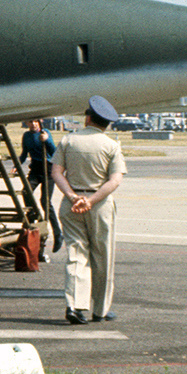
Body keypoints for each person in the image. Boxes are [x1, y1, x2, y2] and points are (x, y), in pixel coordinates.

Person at [51, 96, 126, 324]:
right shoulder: (111, 146)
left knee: (76, 254)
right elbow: (115, 180)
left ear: (88, 118)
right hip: (100, 204)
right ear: (106, 124)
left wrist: (73, 196)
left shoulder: (68, 141)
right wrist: (91, 200)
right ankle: (100, 310)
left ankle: (74, 305)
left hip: (72, 204)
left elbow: (56, 173)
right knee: (103, 255)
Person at [19, 118, 59, 256]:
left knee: (45, 202)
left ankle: (58, 233)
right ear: (27, 123)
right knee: (26, 191)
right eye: (30, 122)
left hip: (48, 170)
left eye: (36, 121)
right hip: (35, 169)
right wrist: (16, 165)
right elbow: (24, 153)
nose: (34, 124)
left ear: (40, 122)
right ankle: (33, 214)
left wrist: (47, 140)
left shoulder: (45, 132)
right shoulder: (27, 136)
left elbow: (54, 152)